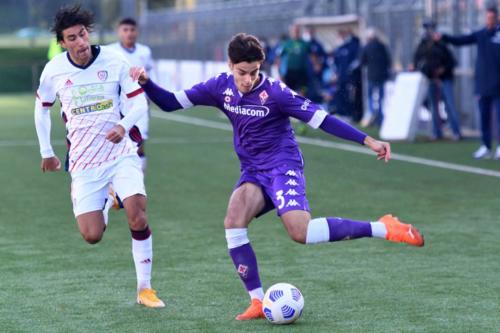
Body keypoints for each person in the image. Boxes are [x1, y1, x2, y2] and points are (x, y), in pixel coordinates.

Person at [130, 33, 424, 321]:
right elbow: (169, 102)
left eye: (255, 72)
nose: (248, 79)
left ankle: (383, 227)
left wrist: (367, 140)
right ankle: (257, 301)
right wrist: (146, 83)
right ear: (230, 65)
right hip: (253, 171)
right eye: (243, 72)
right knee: (233, 220)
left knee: (301, 233)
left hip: (283, 166)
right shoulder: (218, 87)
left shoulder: (276, 93)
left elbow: (322, 119)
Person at [34, 5, 164, 308]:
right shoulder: (54, 70)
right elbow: (41, 110)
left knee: (137, 211)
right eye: (71, 38)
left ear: (87, 33)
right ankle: (108, 198)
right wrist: (47, 152)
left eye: (82, 34)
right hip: (83, 163)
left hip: (121, 154)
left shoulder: (114, 60)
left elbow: (138, 104)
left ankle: (145, 289)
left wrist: (123, 125)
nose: (80, 42)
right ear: (62, 42)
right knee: (92, 236)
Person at [436, 6, 500, 158]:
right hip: (483, 85)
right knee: (484, 118)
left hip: (499, 86)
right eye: (488, 17)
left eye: (492, 17)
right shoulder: (481, 34)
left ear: (497, 18)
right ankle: (485, 146)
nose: (489, 20)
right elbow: (461, 41)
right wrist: (444, 37)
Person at [107, 17, 155, 171]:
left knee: (139, 146)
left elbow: (149, 74)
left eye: (132, 30)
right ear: (119, 32)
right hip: (117, 105)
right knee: (114, 146)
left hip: (139, 104)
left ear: (137, 32)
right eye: (125, 30)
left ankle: (138, 188)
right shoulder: (110, 51)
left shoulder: (145, 51)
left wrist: (150, 96)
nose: (129, 33)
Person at [413, 19, 462, 141]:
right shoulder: (423, 44)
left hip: (444, 79)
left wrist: (443, 69)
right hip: (431, 79)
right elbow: (416, 58)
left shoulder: (441, 43)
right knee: (433, 107)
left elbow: (452, 62)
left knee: (449, 105)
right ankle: (437, 132)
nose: (428, 31)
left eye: (430, 28)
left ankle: (456, 132)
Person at [360, 28, 391, 128]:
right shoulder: (382, 46)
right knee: (381, 98)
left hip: (371, 75)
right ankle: (380, 117)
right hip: (382, 75)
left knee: (370, 96)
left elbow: (362, 61)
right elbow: (388, 61)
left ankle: (372, 113)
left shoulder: (367, 47)